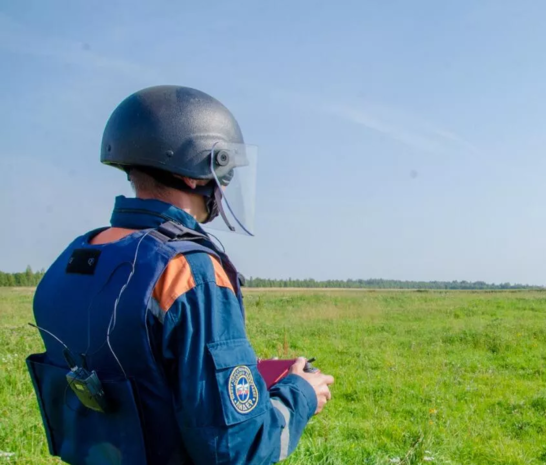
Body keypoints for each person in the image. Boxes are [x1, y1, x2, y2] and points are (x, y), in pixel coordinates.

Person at [26, 85, 334, 464]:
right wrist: (300, 392)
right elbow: (238, 448)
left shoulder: (75, 258)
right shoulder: (189, 271)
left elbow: (143, 377)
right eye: (223, 170)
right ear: (193, 175)